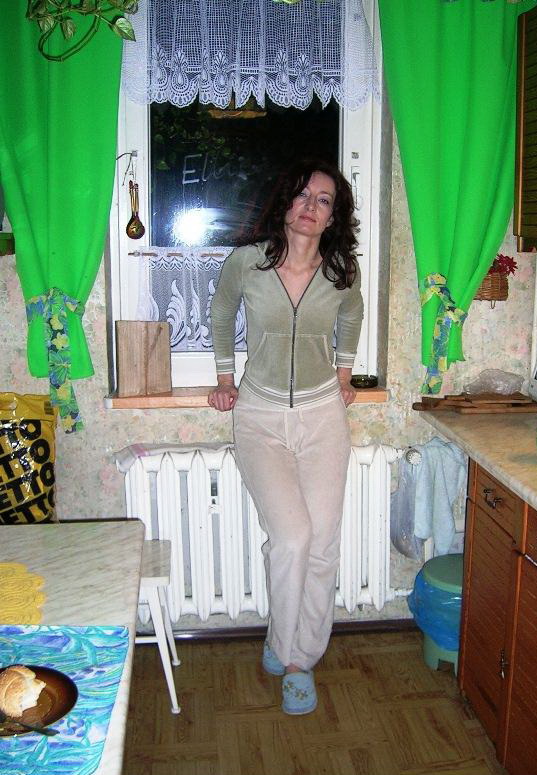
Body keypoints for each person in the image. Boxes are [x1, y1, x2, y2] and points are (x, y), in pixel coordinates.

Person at [208, 158, 363, 715]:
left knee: (322, 545)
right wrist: (224, 378)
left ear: (333, 216)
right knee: (292, 537)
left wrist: (344, 375)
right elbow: (221, 312)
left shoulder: (341, 270)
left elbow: (352, 316)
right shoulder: (247, 262)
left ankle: (299, 660)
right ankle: (283, 641)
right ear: (286, 203)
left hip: (323, 416)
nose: (310, 206)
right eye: (302, 195)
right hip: (260, 416)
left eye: (323, 200)